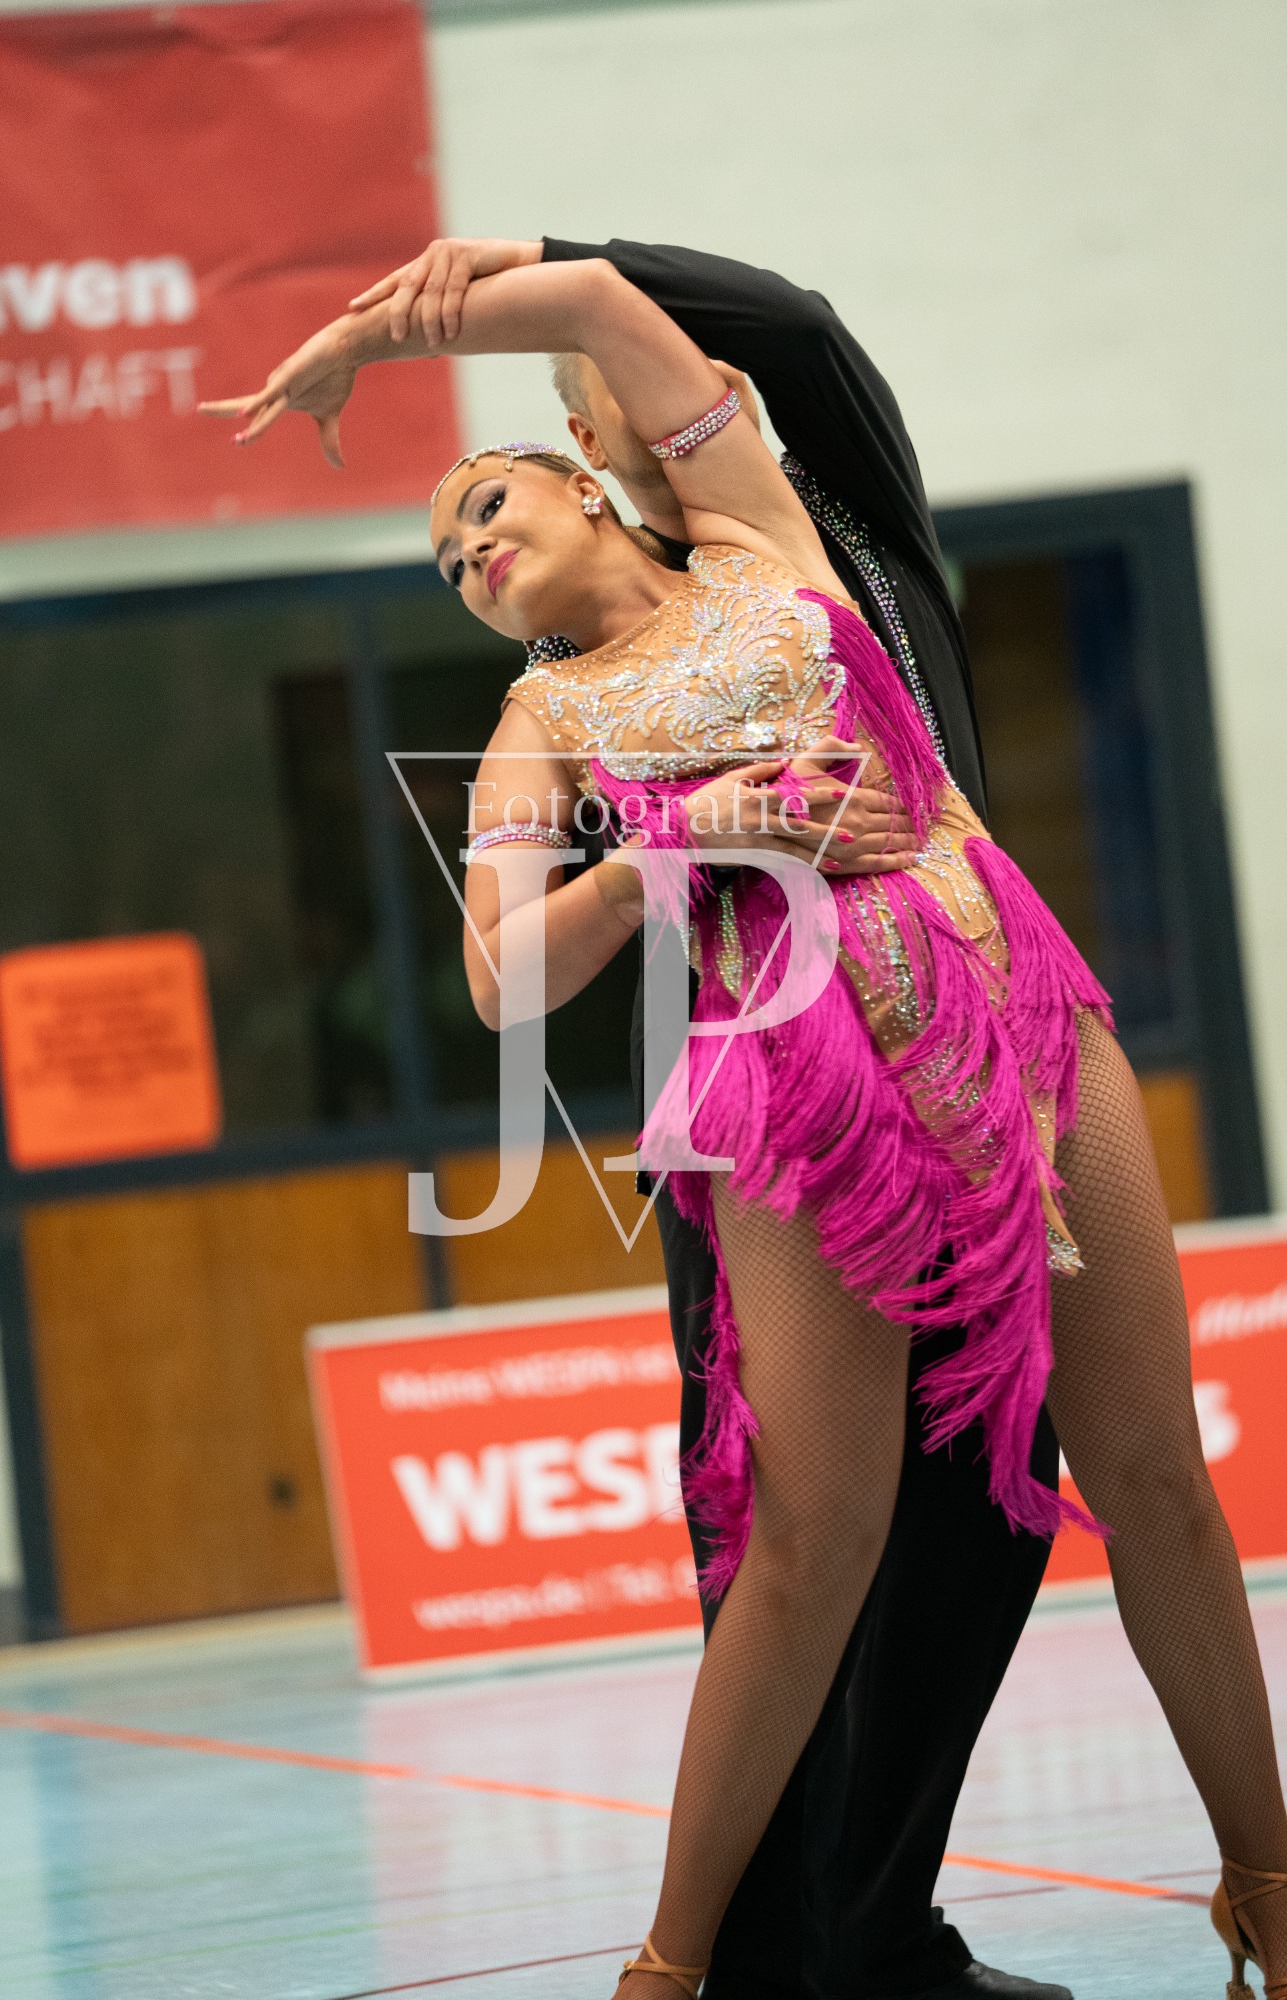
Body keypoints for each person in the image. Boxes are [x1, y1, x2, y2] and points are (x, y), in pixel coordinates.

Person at [203, 249, 1287, 2000]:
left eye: (485, 507)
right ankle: (669, 1967)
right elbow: (499, 979)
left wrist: (367, 335)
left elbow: (604, 310)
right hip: (791, 1089)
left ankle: (1268, 1885)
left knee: (1154, 1472)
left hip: (1006, 999)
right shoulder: (539, 718)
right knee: (808, 1542)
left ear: (582, 481)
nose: (469, 552)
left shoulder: (758, 533)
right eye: (446, 562)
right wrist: (677, 842)